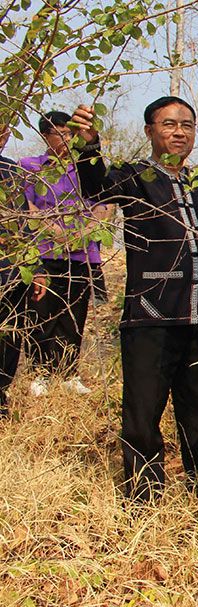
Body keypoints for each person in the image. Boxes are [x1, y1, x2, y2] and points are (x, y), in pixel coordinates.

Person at [70, 97, 198, 500]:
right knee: (143, 415)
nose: (179, 132)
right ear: (150, 131)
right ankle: (143, 499)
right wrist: (88, 146)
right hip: (151, 317)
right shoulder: (134, 179)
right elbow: (96, 187)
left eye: (186, 124)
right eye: (169, 124)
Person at [21, 111, 113, 397]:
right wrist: (55, 233)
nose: (63, 139)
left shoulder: (87, 167)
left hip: (81, 253)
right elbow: (27, 207)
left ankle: (68, 372)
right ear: (44, 136)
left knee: (74, 313)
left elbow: (104, 204)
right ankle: (40, 373)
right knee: (40, 313)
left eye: (68, 133)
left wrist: (82, 234)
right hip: (44, 253)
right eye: (57, 133)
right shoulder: (30, 167)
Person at [0, 126, 46, 416]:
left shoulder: (12, 172)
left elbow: (24, 226)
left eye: (4, 129)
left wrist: (36, 267)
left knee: (9, 338)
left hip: (10, 272)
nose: (1, 134)